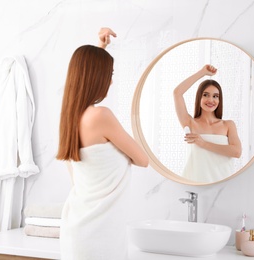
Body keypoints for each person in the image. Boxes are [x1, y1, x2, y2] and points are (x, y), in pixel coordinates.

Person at [56, 28, 148, 260]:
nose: (111, 80)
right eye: (109, 73)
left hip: (78, 230)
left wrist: (101, 48)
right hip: (99, 237)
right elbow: (142, 159)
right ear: (96, 77)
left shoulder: (70, 118)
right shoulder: (101, 116)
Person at [173, 65, 241, 183]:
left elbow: (236, 152)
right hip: (195, 184)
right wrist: (202, 73)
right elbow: (177, 93)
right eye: (205, 95)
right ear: (199, 97)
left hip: (223, 186)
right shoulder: (189, 123)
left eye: (215, 96)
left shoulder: (228, 125)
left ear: (219, 101)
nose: (211, 100)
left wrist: (203, 143)